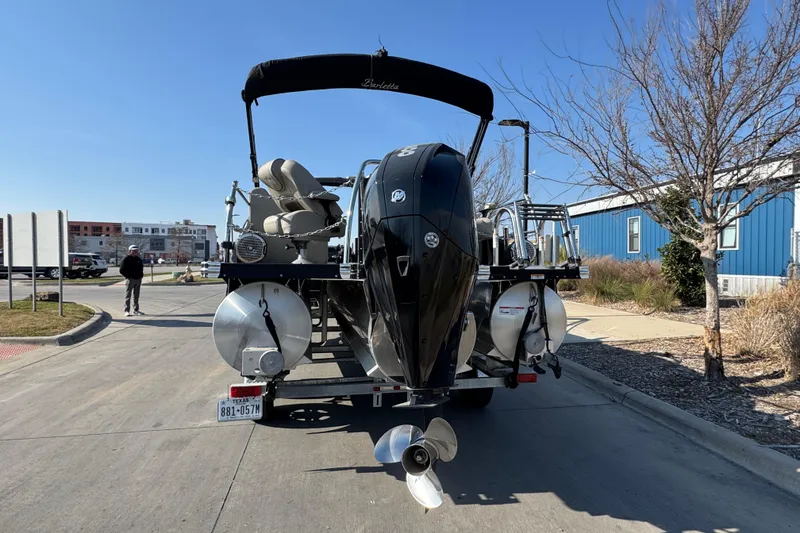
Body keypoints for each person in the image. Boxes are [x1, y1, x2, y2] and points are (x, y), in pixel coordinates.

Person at [120, 245, 145, 316]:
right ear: (130, 251)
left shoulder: (138, 259)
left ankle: (136, 310)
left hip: (138, 279)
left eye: (136, 251)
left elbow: (141, 268)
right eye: (134, 251)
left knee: (136, 296)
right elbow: (121, 270)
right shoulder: (126, 259)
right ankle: (126, 311)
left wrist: (141, 275)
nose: (135, 252)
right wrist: (128, 277)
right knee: (128, 295)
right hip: (130, 279)